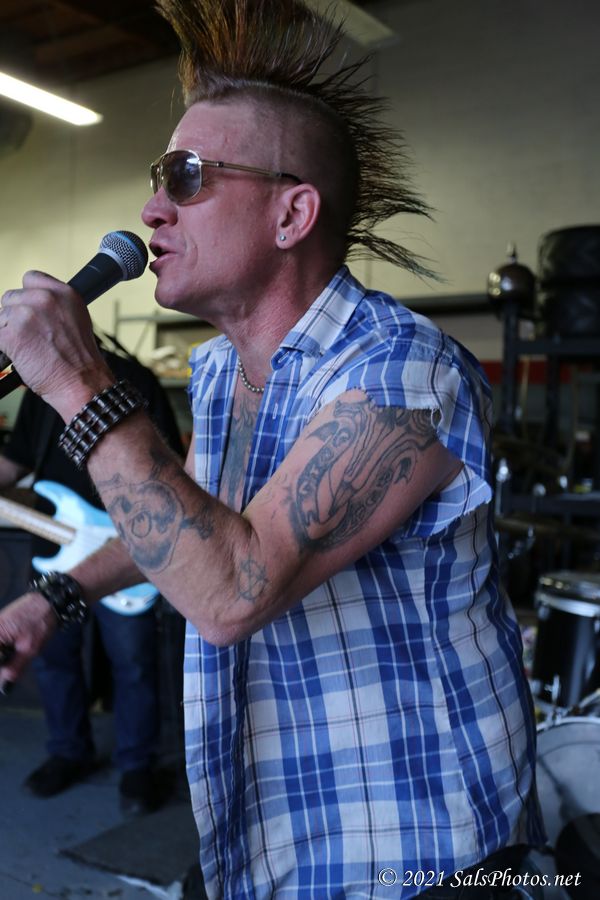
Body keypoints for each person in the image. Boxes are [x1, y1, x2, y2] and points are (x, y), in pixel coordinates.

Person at [0, 0, 546, 895]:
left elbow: (231, 590)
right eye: (158, 176)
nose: (151, 208)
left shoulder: (402, 372)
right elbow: (184, 528)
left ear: (292, 214)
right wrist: (55, 597)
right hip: (272, 839)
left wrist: (76, 382)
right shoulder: (221, 373)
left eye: (185, 176)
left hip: (416, 857)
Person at [0, 336, 184, 815]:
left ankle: (137, 766)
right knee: (52, 659)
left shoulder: (137, 380)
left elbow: (171, 477)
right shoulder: (38, 390)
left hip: (124, 552)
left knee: (134, 664)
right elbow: (16, 461)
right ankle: (68, 751)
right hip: (54, 555)